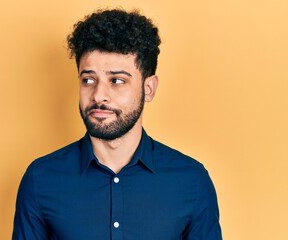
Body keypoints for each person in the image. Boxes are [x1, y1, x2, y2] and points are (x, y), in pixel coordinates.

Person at [12, 8, 222, 240]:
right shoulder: (40, 179)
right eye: (88, 80)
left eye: (117, 81)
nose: (99, 95)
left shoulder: (191, 181)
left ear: (148, 88)